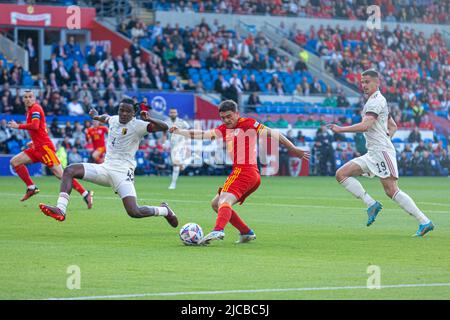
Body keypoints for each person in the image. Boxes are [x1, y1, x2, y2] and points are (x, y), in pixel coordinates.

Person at [170, 100, 310, 245]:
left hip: (245, 171)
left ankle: (218, 229)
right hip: (251, 174)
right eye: (223, 117)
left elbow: (273, 133)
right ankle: (246, 232)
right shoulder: (224, 129)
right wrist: (180, 132)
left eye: (229, 116)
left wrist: (292, 148)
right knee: (216, 204)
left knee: (224, 201)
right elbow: (202, 134)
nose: (226, 120)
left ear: (237, 113)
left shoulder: (248, 123)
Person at [38, 97, 178, 228]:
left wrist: (150, 119)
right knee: (69, 170)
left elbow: (164, 127)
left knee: (134, 212)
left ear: (133, 113)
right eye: (121, 110)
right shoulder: (114, 119)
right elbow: (106, 118)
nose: (123, 114)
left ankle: (164, 210)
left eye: (127, 111)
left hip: (123, 173)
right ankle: (60, 209)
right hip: (105, 169)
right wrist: (95, 116)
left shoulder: (139, 125)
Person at [329, 70, 434, 237]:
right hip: (373, 152)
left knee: (391, 190)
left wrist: (341, 129)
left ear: (377, 83)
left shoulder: (376, 102)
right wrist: (386, 139)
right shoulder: (375, 101)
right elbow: (393, 126)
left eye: (367, 82)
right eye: (362, 82)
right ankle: (371, 204)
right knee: (341, 174)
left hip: (381, 152)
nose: (364, 85)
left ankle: (424, 221)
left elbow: (365, 125)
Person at [7, 90, 93, 207]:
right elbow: (43, 128)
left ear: (34, 98)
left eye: (30, 97)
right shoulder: (29, 111)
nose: (27, 99)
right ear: (23, 99)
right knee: (15, 162)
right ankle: (31, 187)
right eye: (25, 97)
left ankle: (85, 193)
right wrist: (34, 141)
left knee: (61, 175)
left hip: (45, 148)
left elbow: (35, 125)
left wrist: (18, 126)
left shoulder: (36, 108)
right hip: (37, 147)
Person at [167, 108, 190, 190]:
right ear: (169, 113)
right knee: (178, 166)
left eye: (174, 112)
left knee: (176, 165)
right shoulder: (166, 122)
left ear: (177, 113)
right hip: (172, 146)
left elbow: (188, 130)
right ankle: (189, 160)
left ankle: (173, 184)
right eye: (171, 112)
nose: (173, 113)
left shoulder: (182, 122)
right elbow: (164, 133)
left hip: (180, 145)